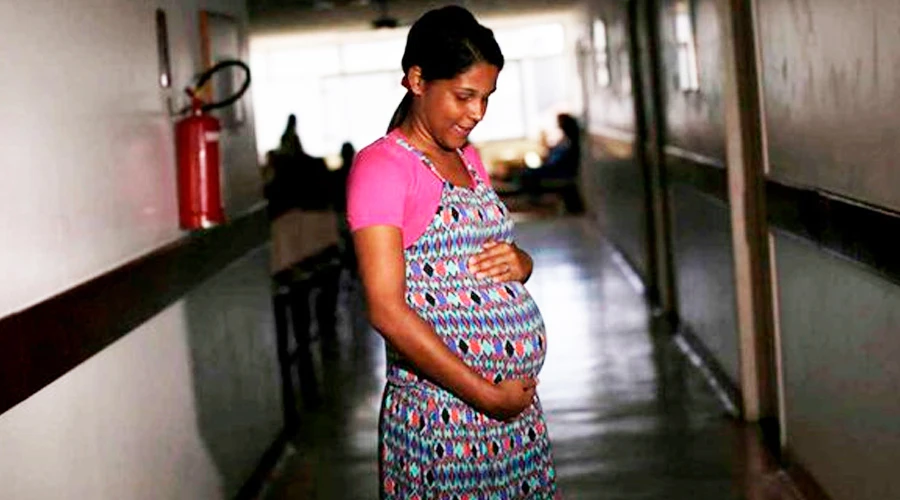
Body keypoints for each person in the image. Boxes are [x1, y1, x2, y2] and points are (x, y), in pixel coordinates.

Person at [346, 6, 558, 498]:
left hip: (513, 418)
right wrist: (487, 396)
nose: (477, 113)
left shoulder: (469, 158)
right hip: (444, 420)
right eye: (464, 96)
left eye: (486, 97)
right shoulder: (382, 168)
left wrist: (521, 263)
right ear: (417, 80)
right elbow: (386, 309)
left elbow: (485, 258)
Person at [522, 113, 584, 213]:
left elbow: (557, 161)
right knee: (527, 172)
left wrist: (546, 162)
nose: (558, 125)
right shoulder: (566, 139)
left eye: (559, 122)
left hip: (560, 171)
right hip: (557, 168)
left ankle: (536, 199)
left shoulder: (568, 141)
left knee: (527, 173)